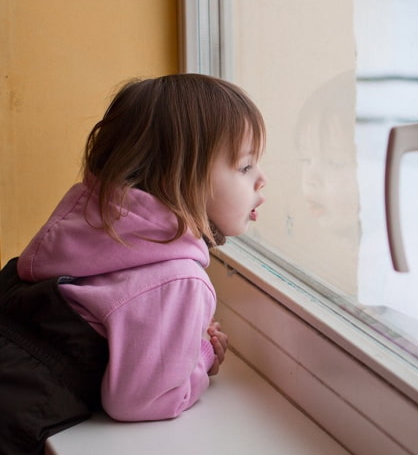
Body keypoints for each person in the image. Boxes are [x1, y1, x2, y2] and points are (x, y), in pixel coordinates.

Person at [0, 73, 267, 454]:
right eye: (245, 167)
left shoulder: (86, 225)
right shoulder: (178, 279)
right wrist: (201, 355)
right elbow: (143, 402)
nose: (262, 179)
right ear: (178, 177)